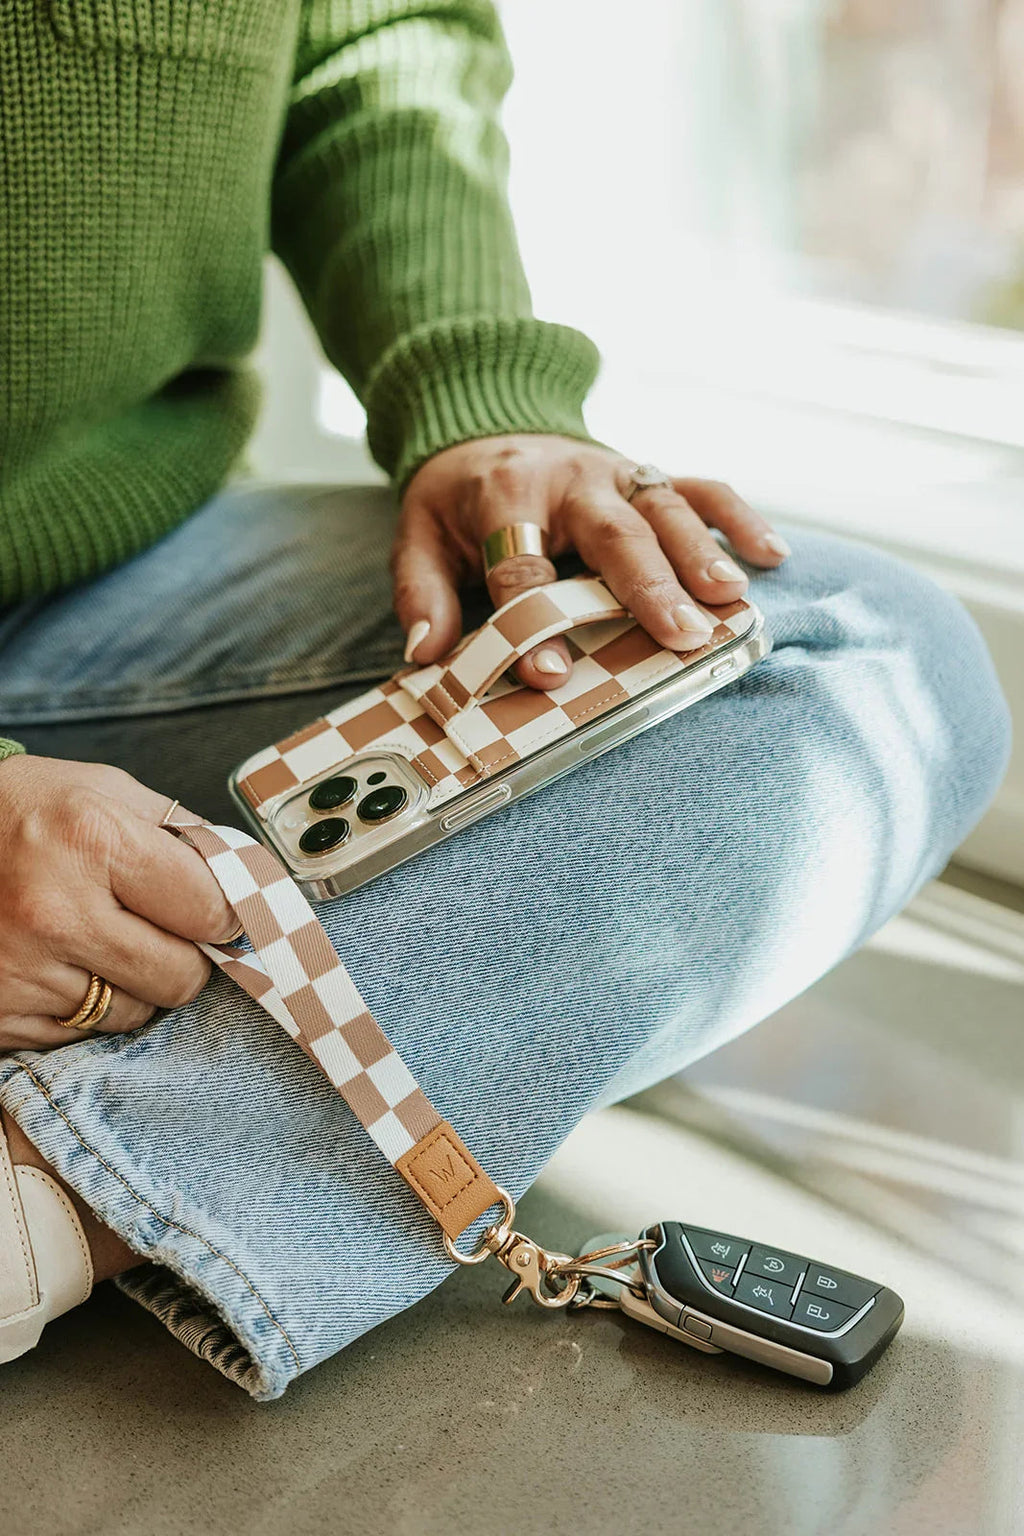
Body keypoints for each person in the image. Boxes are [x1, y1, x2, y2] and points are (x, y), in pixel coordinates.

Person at [0, 3, 1010, 1396]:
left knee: (850, 650)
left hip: (114, 579)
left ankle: (45, 1196)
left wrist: (485, 401)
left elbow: (376, 51)